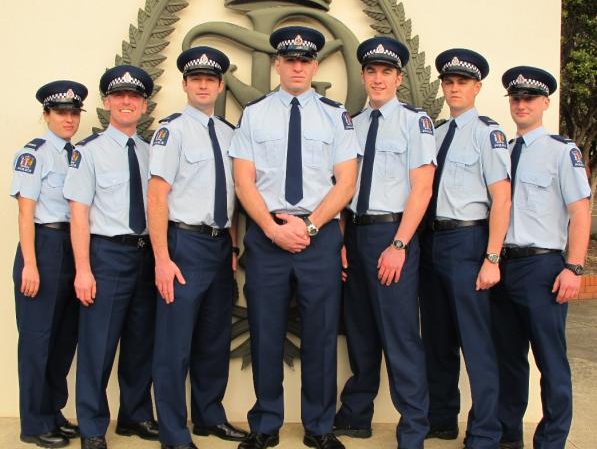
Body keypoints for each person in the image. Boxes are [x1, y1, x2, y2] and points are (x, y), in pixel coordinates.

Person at [229, 26, 358, 449]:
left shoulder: (334, 115)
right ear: (279, 65)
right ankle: (265, 425)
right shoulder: (256, 112)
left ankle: (319, 428)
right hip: (268, 237)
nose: (298, 66)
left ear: (315, 66)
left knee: (320, 334)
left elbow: (346, 182)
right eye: (290, 60)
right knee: (266, 330)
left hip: (318, 237)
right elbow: (244, 181)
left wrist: (312, 226)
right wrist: (271, 228)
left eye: (305, 60)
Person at [333, 36, 434, 448]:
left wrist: (399, 244)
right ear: (363, 75)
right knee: (359, 331)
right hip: (354, 233)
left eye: (386, 72)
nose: (378, 79)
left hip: (392, 234)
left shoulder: (415, 122)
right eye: (371, 71)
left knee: (400, 334)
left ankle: (413, 427)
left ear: (398, 78)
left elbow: (422, 189)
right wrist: (341, 240)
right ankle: (357, 414)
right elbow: (342, 186)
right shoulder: (351, 124)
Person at [148, 46, 247, 449]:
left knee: (212, 339)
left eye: (210, 79)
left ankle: (209, 416)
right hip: (182, 243)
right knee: (174, 345)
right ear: (185, 85)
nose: (203, 85)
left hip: (219, 246)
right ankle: (174, 431)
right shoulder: (171, 131)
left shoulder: (229, 134)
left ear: (221, 85)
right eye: (195, 79)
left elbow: (235, 196)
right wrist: (161, 259)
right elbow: (157, 197)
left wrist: (234, 246)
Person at [490, 67, 591, 449]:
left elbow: (580, 211)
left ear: (545, 103)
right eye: (515, 99)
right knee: (508, 359)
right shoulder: (502, 151)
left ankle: (551, 441)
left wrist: (573, 267)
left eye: (528, 99)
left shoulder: (561, 151)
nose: (520, 105)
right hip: (503, 265)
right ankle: (507, 436)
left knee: (550, 361)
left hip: (542, 267)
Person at [418, 49, 511, 448]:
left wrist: (492, 257)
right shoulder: (434, 134)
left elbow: (502, 199)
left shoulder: (487, 134)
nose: (454, 88)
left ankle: (486, 431)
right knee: (437, 338)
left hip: (469, 241)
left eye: (463, 82)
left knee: (476, 341)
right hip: (432, 241)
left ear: (477, 87)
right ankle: (442, 419)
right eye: (449, 82)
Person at [63, 65, 159, 449]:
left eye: (134, 97)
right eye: (119, 96)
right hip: (106, 255)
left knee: (141, 342)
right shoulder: (88, 153)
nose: (126, 102)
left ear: (144, 105)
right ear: (106, 103)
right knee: (98, 345)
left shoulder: (154, 153)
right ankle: (91, 426)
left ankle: (134, 416)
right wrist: (83, 270)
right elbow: (79, 214)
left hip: (146, 256)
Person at [11, 80, 87, 448]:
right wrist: (30, 263)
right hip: (43, 245)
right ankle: (34, 422)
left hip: (74, 247)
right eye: (61, 113)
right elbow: (26, 213)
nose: (69, 119)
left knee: (63, 339)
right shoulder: (34, 154)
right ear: (46, 115)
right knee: (38, 340)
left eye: (74, 113)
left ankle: (53, 411)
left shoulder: (77, 154)